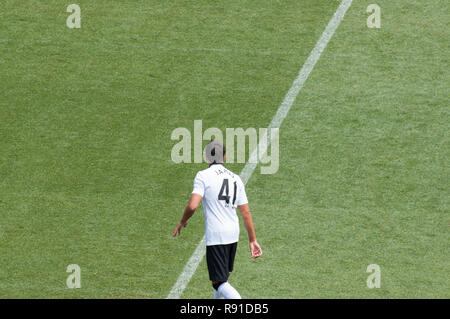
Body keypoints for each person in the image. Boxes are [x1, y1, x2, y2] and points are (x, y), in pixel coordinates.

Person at [172, 140, 262, 299]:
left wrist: (182, 221)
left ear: (207, 157)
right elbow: (246, 212)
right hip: (233, 234)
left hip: (217, 236)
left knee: (218, 283)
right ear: (224, 157)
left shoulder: (203, 176)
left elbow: (193, 206)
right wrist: (252, 239)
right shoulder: (236, 178)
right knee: (222, 279)